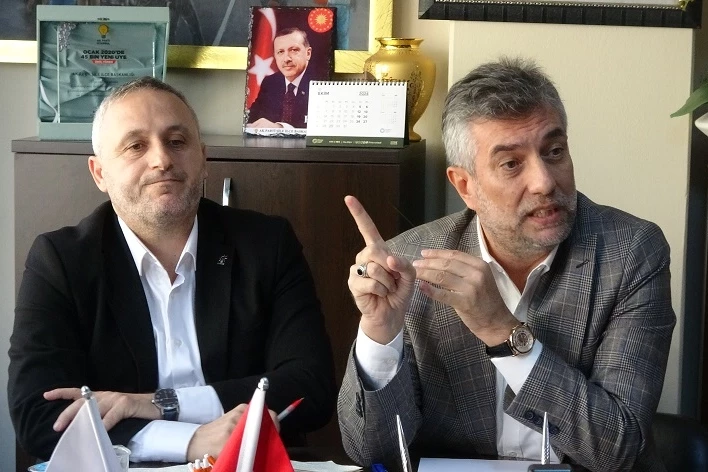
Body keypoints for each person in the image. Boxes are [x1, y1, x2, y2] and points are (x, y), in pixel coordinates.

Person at [337, 57, 675, 472]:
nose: (545, 182)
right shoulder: (410, 262)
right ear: (465, 186)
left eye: (554, 152)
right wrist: (380, 334)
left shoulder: (631, 253)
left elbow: (616, 449)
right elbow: (370, 452)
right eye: (511, 163)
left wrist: (501, 331)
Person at [8, 76, 335, 463]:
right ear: (99, 173)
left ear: (203, 158)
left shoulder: (266, 244)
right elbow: (40, 417)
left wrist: (159, 404)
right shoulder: (61, 261)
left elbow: (310, 387)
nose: (162, 159)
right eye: (136, 146)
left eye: (177, 141)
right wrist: (190, 440)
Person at [246, 27, 315, 130]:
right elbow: (253, 119)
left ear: (308, 53)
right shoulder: (270, 83)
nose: (286, 59)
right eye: (280, 52)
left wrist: (281, 128)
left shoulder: (321, 83)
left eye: (294, 50)